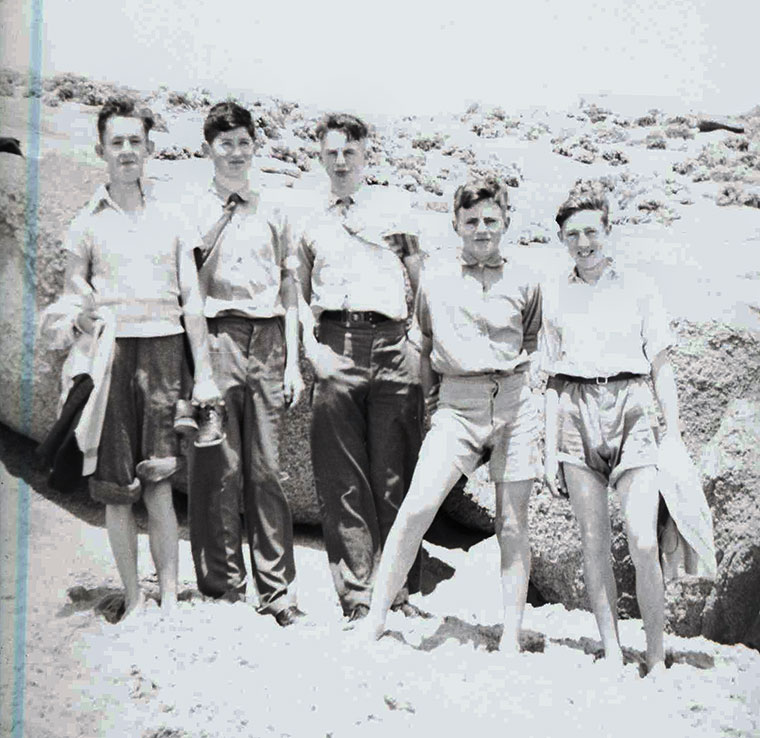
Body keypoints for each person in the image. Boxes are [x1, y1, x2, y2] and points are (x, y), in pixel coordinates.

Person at [363, 177, 543, 653]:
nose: (481, 229)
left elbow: (529, 341)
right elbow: (423, 345)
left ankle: (510, 634)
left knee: (511, 524)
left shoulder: (526, 279)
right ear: (456, 224)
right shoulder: (437, 280)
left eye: (490, 219)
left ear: (505, 221)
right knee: (418, 506)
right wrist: (430, 407)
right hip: (456, 406)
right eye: (471, 221)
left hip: (513, 402)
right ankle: (376, 617)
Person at [57, 97, 220, 619]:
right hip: (109, 357)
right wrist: (79, 318)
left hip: (165, 349)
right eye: (116, 142)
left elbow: (192, 300)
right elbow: (70, 295)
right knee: (115, 487)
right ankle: (133, 600)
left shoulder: (173, 216)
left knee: (160, 479)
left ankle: (170, 598)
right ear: (101, 150)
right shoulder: (85, 223)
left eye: (135, 141)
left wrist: (206, 375)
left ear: (149, 147)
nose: (127, 150)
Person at [541, 182, 682, 677]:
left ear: (608, 231)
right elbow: (551, 378)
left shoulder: (640, 287)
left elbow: (662, 363)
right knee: (593, 540)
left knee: (642, 541)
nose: (584, 243)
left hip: (632, 404)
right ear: (561, 239)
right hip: (576, 409)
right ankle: (614, 650)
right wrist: (547, 450)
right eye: (572, 234)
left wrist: (676, 434)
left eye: (591, 232)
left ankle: (658, 656)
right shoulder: (553, 293)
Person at [295, 113, 425, 621]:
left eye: (350, 152)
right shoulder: (310, 221)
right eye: (331, 153)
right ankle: (357, 594)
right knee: (341, 476)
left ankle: (397, 590)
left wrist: (415, 341)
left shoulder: (396, 211)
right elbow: (300, 294)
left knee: (394, 473)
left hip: (393, 342)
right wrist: (313, 349)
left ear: (366, 154)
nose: (341, 162)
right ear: (320, 157)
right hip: (336, 343)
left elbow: (420, 276)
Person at [185, 101, 305, 627]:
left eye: (243, 143)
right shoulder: (190, 208)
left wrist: (294, 363)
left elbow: (290, 287)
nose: (235, 153)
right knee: (219, 466)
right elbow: (188, 282)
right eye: (225, 143)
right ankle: (222, 587)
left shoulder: (275, 208)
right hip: (217, 336)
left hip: (270, 339)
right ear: (208, 148)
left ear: (255, 147)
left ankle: (277, 591)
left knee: (268, 469)